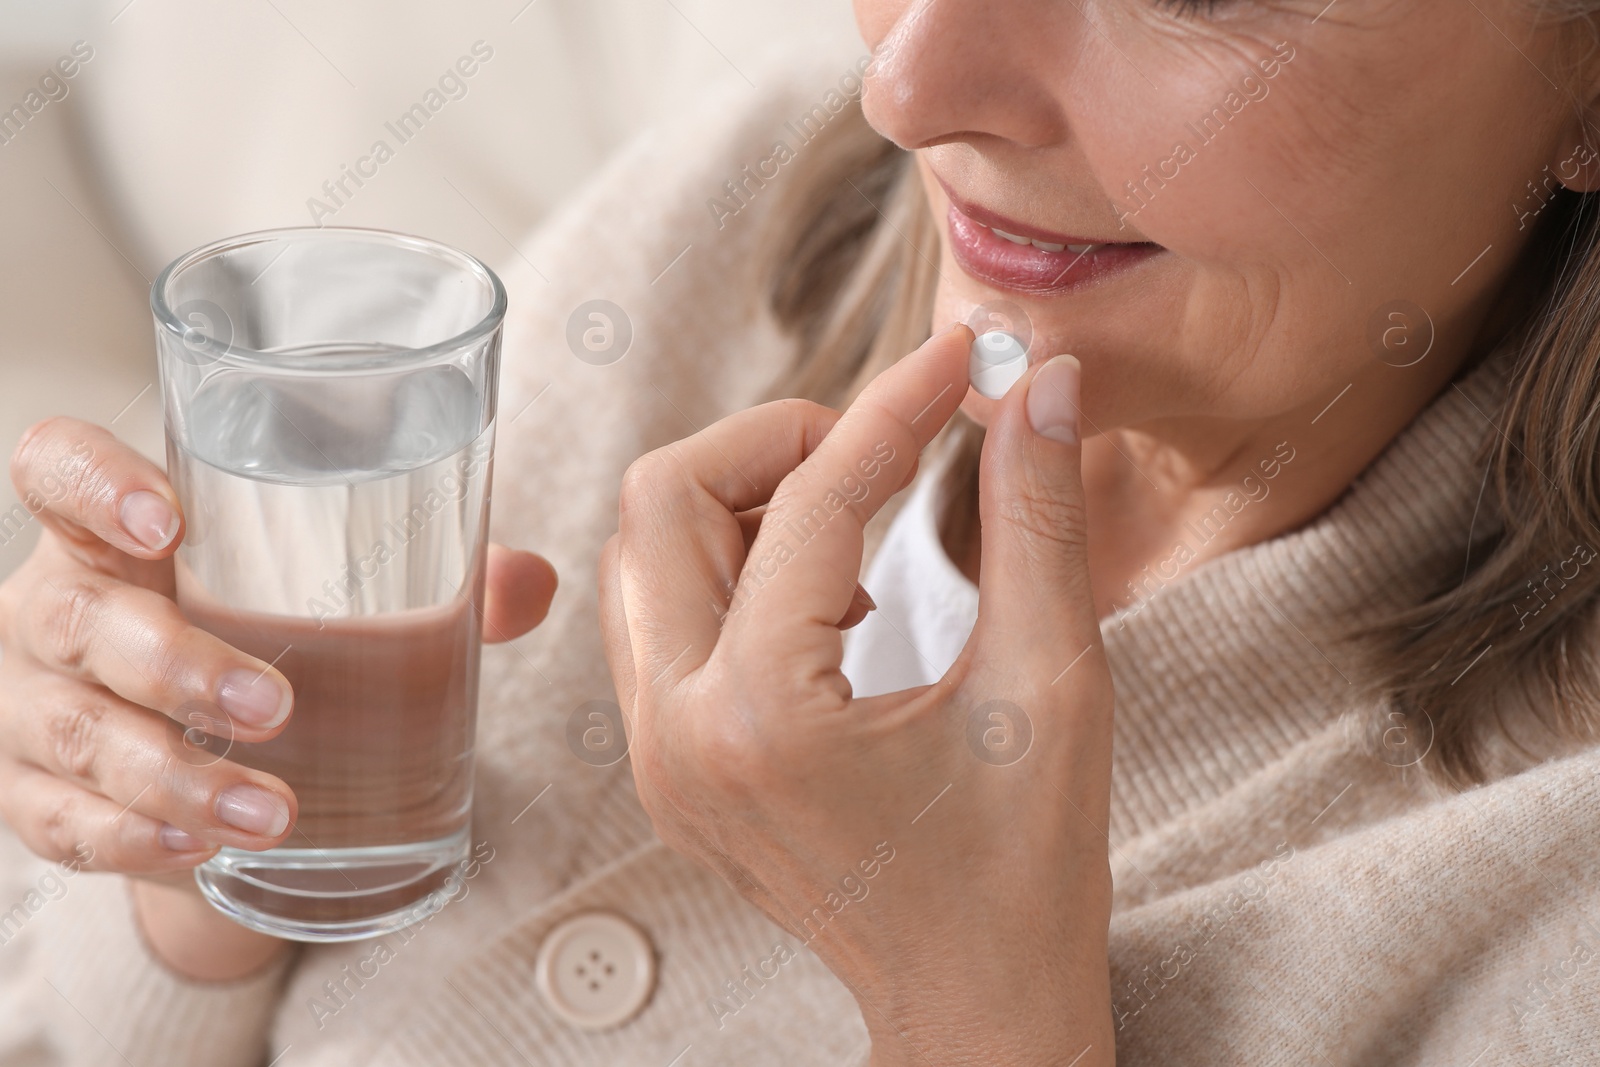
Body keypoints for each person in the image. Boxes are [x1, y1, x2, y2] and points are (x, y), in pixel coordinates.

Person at [3, 1, 1600, 1064]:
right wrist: (179, 836)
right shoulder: (750, 207)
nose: (910, 80)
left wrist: (972, 1003)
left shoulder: (1549, 897)